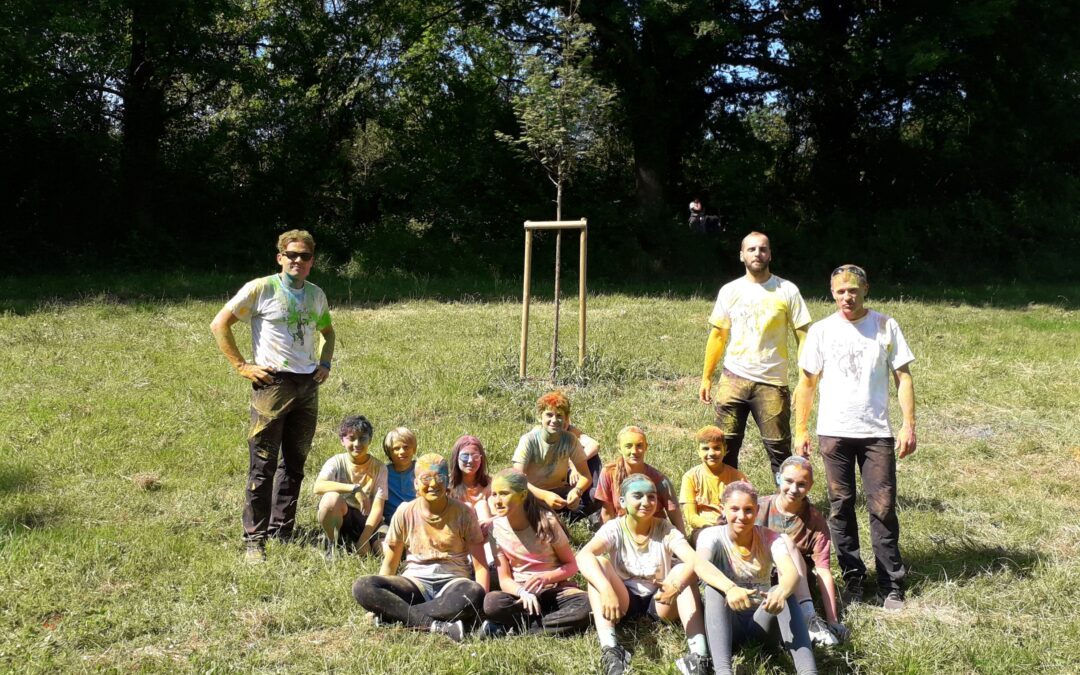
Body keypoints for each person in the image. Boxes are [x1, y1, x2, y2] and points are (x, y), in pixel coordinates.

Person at [794, 264, 916, 610]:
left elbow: (903, 377)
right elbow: (807, 383)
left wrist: (909, 424)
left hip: (876, 432)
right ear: (832, 293)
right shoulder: (820, 331)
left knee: (883, 506)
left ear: (866, 290)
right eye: (840, 291)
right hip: (833, 432)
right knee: (841, 505)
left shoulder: (885, 325)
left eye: (853, 290)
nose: (847, 297)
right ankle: (853, 577)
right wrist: (801, 428)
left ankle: (891, 583)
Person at [210, 229, 335, 562]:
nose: (297, 260)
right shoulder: (260, 289)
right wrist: (242, 366)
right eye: (291, 254)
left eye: (304, 256)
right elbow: (219, 324)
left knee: (294, 464)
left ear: (312, 260)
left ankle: (283, 530)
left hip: (307, 386)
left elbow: (328, 331)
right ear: (280, 257)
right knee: (262, 465)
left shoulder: (316, 295)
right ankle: (255, 539)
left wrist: (324, 362)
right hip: (272, 385)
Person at [699, 231, 812, 474]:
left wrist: (805, 381)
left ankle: (790, 506)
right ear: (742, 255)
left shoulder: (787, 290)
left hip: (772, 383)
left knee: (779, 451)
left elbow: (804, 338)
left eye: (762, 249)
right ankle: (726, 504)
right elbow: (718, 336)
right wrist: (707, 377)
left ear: (770, 254)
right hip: (733, 380)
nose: (757, 254)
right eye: (751, 249)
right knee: (723, 449)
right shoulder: (730, 291)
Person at [577, 474, 708, 675]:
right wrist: (605, 590)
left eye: (651, 497)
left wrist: (676, 584)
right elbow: (583, 555)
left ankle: (699, 656)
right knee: (599, 564)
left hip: (660, 599)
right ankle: (611, 650)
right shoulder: (615, 527)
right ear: (622, 502)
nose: (646, 502)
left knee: (682, 570)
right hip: (623, 600)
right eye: (637, 496)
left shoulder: (665, 529)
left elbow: (694, 559)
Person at [351, 453, 488, 642]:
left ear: (448, 481)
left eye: (440, 478)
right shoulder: (405, 511)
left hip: (453, 582)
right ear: (415, 484)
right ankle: (438, 626)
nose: (433, 484)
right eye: (426, 479)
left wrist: (481, 608)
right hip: (415, 581)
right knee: (363, 586)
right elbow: (390, 564)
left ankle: (393, 616)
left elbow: (480, 567)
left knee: (474, 593)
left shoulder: (464, 512)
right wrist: (381, 592)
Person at [695, 481, 818, 675]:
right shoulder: (711, 535)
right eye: (734, 509)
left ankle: (808, 671)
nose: (741, 516)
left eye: (748, 510)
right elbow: (700, 564)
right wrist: (730, 588)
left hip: (762, 623)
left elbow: (792, 573)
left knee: (785, 593)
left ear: (757, 510)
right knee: (713, 590)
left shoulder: (770, 538)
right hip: (726, 626)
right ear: (723, 509)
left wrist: (781, 592)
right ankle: (722, 671)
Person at [481, 468, 591, 637]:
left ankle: (518, 629)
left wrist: (546, 578)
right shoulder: (494, 530)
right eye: (494, 494)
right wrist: (522, 592)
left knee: (586, 604)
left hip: (553, 590)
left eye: (504, 494)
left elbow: (571, 565)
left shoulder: (546, 522)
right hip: (521, 593)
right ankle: (547, 623)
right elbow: (504, 579)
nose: (497, 500)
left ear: (523, 495)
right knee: (491, 603)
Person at [757, 456, 845, 645]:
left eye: (801, 484)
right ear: (779, 478)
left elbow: (823, 570)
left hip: (796, 583)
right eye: (788, 481)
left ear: (810, 486)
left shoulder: (815, 520)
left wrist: (832, 619)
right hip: (757, 575)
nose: (794, 489)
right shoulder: (757, 507)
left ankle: (809, 620)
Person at [512, 391, 596, 522]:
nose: (554, 420)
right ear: (540, 416)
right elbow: (517, 479)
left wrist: (577, 491)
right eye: (549, 415)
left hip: (560, 493)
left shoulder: (570, 439)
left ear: (566, 418)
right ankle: (547, 519)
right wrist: (544, 496)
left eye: (559, 416)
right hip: (531, 494)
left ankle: (568, 517)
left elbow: (586, 476)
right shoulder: (529, 440)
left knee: (596, 496)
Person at [312, 415, 386, 558]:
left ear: (370, 440)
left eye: (363, 438)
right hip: (342, 516)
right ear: (342, 441)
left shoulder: (379, 467)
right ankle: (332, 544)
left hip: (368, 521)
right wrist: (354, 488)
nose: (357, 443)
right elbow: (318, 487)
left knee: (385, 550)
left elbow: (378, 508)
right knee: (330, 499)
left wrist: (364, 540)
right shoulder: (336, 461)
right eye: (351, 438)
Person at [594, 426, 684, 533]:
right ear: (619, 448)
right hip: (625, 531)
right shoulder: (609, 473)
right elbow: (607, 513)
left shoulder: (659, 480)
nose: (634, 451)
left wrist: (682, 542)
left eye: (639, 446)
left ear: (646, 447)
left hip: (654, 532)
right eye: (628, 446)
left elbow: (675, 514)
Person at [680, 426, 748, 545]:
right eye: (705, 448)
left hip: (732, 527)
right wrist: (713, 526)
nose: (711, 453)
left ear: (725, 449)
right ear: (698, 451)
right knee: (712, 542)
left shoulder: (738, 477)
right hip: (703, 530)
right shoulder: (690, 477)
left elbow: (747, 508)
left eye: (717, 448)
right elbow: (691, 517)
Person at [448, 435, 494, 527]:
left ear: (481, 459)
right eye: (465, 456)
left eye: (475, 456)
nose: (470, 460)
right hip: (460, 534)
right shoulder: (447, 486)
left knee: (482, 505)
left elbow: (501, 515)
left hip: (487, 533)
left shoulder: (491, 484)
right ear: (456, 458)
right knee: (467, 506)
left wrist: (488, 522)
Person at [381, 427, 417, 526]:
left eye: (406, 447)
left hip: (419, 518)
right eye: (396, 448)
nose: (402, 452)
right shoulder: (383, 472)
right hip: (392, 522)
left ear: (414, 449)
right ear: (389, 452)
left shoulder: (421, 469)